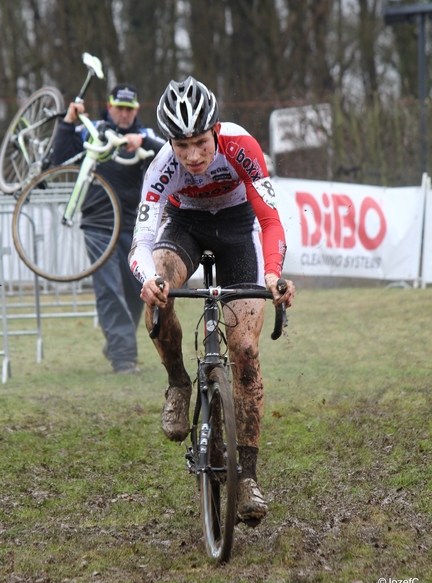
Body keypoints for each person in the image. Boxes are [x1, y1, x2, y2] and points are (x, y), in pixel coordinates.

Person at [129, 77, 295, 523]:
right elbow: (141, 240)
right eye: (182, 146)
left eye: (201, 142)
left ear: (215, 130)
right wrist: (148, 279)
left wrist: (275, 274)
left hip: (239, 229)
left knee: (243, 350)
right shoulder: (162, 166)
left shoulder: (242, 146)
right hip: (184, 225)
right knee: (160, 291)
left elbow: (271, 219)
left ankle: (248, 478)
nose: (194, 156)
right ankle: (179, 383)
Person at [51, 83, 165, 374]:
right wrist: (68, 122)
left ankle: (117, 341)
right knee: (110, 290)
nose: (123, 114)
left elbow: (168, 154)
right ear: (109, 106)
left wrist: (141, 143)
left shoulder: (146, 135)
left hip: (134, 226)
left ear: (136, 110)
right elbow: (59, 158)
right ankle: (123, 358)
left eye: (129, 109)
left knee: (138, 290)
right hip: (97, 223)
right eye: (119, 108)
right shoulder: (94, 130)